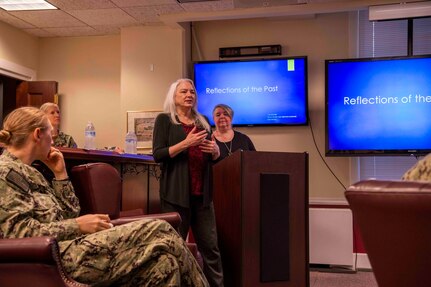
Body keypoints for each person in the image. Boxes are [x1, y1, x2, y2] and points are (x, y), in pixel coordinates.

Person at [0, 106, 209, 287]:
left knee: (166, 264)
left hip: (70, 247)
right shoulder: (5, 173)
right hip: (55, 258)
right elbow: (19, 233)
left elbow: (68, 213)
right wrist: (77, 226)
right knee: (160, 227)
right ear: (38, 134)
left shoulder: (31, 171)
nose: (52, 137)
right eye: (50, 132)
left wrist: (60, 174)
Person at [152, 79, 224, 287]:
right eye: (183, 91)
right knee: (174, 249)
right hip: (175, 196)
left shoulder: (202, 121)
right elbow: (158, 154)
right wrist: (186, 143)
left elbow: (211, 155)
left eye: (192, 91)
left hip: (202, 197)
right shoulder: (164, 120)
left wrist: (216, 152)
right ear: (174, 96)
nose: (189, 95)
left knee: (211, 249)